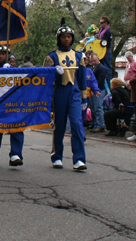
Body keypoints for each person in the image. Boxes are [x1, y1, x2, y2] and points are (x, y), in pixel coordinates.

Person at [43, 19, 88, 171]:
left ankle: (79, 159)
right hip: (60, 92)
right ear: (59, 39)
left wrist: (84, 98)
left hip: (74, 91)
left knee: (76, 124)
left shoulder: (79, 56)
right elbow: (45, 79)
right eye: (64, 37)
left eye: (69, 36)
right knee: (60, 125)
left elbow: (82, 78)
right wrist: (53, 72)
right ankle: (57, 156)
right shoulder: (52, 57)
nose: (67, 39)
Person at [0, 44, 24, 168]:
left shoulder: (14, 69)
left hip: (12, 103)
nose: (1, 56)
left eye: (4, 54)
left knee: (17, 127)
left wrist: (12, 72)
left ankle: (16, 154)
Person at [88, 52, 110, 133]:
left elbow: (100, 81)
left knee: (98, 107)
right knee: (93, 108)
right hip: (93, 90)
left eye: (94, 60)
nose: (93, 62)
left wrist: (95, 90)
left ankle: (100, 125)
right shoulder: (93, 67)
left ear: (98, 59)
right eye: (92, 61)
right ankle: (95, 123)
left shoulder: (101, 68)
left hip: (99, 90)